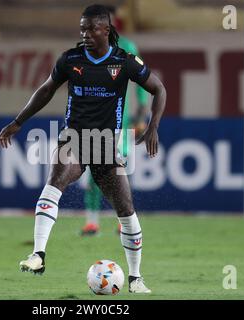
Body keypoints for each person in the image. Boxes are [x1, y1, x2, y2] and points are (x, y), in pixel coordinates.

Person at [0, 4, 166, 294]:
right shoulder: (70, 59)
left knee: (126, 210)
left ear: (106, 30)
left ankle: (135, 278)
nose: (85, 34)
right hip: (73, 138)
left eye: (91, 28)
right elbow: (46, 90)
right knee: (55, 181)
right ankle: (38, 255)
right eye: (82, 29)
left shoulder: (124, 61)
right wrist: (17, 122)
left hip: (106, 144)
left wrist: (153, 126)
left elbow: (158, 89)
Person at [81, 5, 149, 236]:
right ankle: (92, 222)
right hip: (92, 124)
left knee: (119, 172)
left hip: (119, 123)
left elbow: (143, 84)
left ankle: (124, 222)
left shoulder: (127, 48)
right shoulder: (85, 52)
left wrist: (141, 114)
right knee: (93, 172)